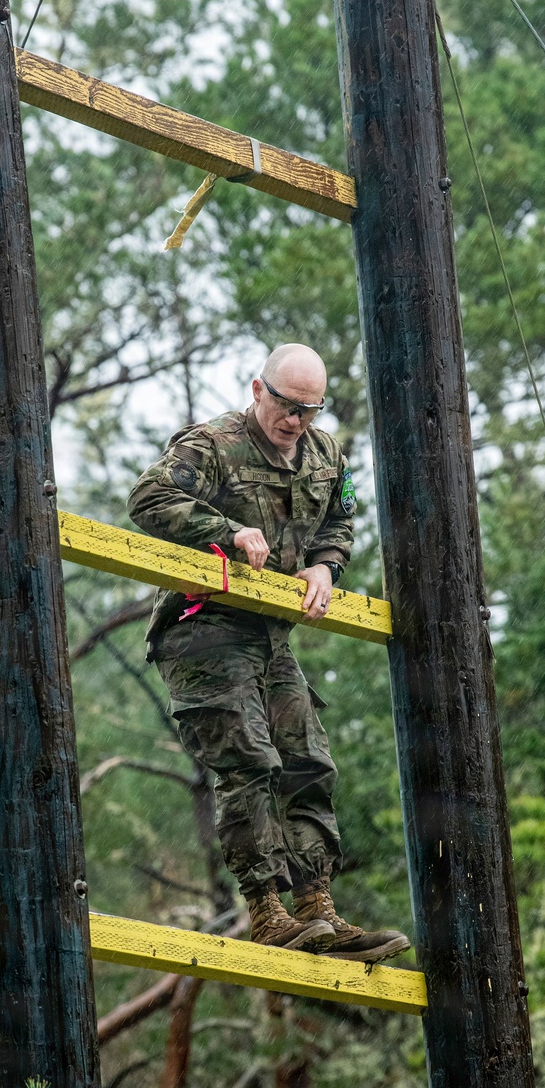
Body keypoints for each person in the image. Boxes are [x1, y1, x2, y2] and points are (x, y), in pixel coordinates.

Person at [128, 343, 410, 962]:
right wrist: (223, 531)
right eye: (287, 406)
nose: (297, 421)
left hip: (269, 632)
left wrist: (325, 567)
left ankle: (318, 910)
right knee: (248, 760)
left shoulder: (326, 454)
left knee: (308, 758)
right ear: (259, 390)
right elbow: (148, 499)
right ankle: (268, 909)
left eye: (311, 410)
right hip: (204, 625)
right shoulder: (211, 446)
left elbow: (340, 520)